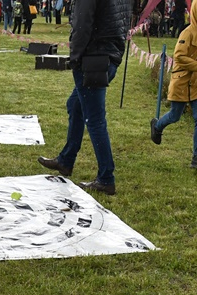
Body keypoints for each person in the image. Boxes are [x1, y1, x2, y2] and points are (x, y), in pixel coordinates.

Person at [37, 0, 128, 195]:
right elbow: (124, 21)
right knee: (75, 105)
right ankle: (65, 160)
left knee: (95, 121)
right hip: (108, 55)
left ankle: (106, 178)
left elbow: (82, 23)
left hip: (93, 58)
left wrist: (75, 57)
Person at [150, 0, 197, 170]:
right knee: (175, 116)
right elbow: (179, 57)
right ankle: (157, 126)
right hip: (181, 81)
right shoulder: (187, 33)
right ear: (196, 12)